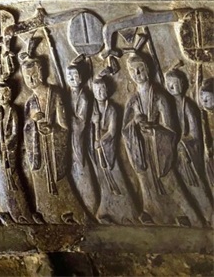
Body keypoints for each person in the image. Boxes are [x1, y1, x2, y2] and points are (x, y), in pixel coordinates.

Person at [123, 52, 202, 226]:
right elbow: (125, 129)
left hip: (159, 147)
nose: (137, 74)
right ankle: (150, 212)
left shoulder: (160, 97)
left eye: (140, 69)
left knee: (168, 178)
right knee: (145, 181)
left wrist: (154, 129)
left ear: (148, 70)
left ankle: (184, 213)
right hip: (141, 148)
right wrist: (135, 123)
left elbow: (171, 129)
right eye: (132, 70)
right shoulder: (132, 100)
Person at [20, 52, 83, 223]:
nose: (31, 80)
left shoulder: (55, 95)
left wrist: (51, 129)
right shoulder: (30, 102)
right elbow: (26, 128)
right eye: (27, 77)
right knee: (40, 182)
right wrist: (33, 123)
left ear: (41, 73)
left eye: (33, 75)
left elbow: (65, 126)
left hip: (54, 151)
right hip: (38, 151)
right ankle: (47, 213)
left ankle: (68, 211)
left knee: (59, 181)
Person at [165, 67, 213, 224]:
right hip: (176, 153)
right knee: (181, 184)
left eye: (175, 83)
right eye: (168, 83)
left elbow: (195, 134)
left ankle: (208, 215)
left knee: (196, 184)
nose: (171, 87)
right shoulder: (168, 105)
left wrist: (183, 145)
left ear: (183, 84)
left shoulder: (189, 107)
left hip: (189, 154)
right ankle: (192, 215)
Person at [89, 77, 140, 225]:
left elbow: (112, 132)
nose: (100, 92)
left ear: (108, 90)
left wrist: (101, 141)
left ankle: (128, 212)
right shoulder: (93, 110)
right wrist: (93, 125)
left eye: (103, 89)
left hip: (108, 149)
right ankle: (106, 210)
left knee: (116, 178)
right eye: (97, 90)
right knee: (103, 181)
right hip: (97, 150)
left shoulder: (112, 110)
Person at [0, 82, 33, 224]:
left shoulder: (13, 111)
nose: (2, 98)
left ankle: (20, 210)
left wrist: (7, 143)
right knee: (1, 181)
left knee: (12, 178)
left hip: (9, 151)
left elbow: (14, 132)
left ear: (10, 95)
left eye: (5, 94)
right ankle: (4, 210)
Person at [65, 63, 98, 217]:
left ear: (81, 78)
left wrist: (66, 115)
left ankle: (90, 203)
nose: (72, 79)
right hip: (69, 138)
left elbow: (80, 123)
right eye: (69, 76)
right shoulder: (67, 94)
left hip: (77, 139)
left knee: (81, 166)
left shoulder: (83, 97)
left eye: (75, 75)